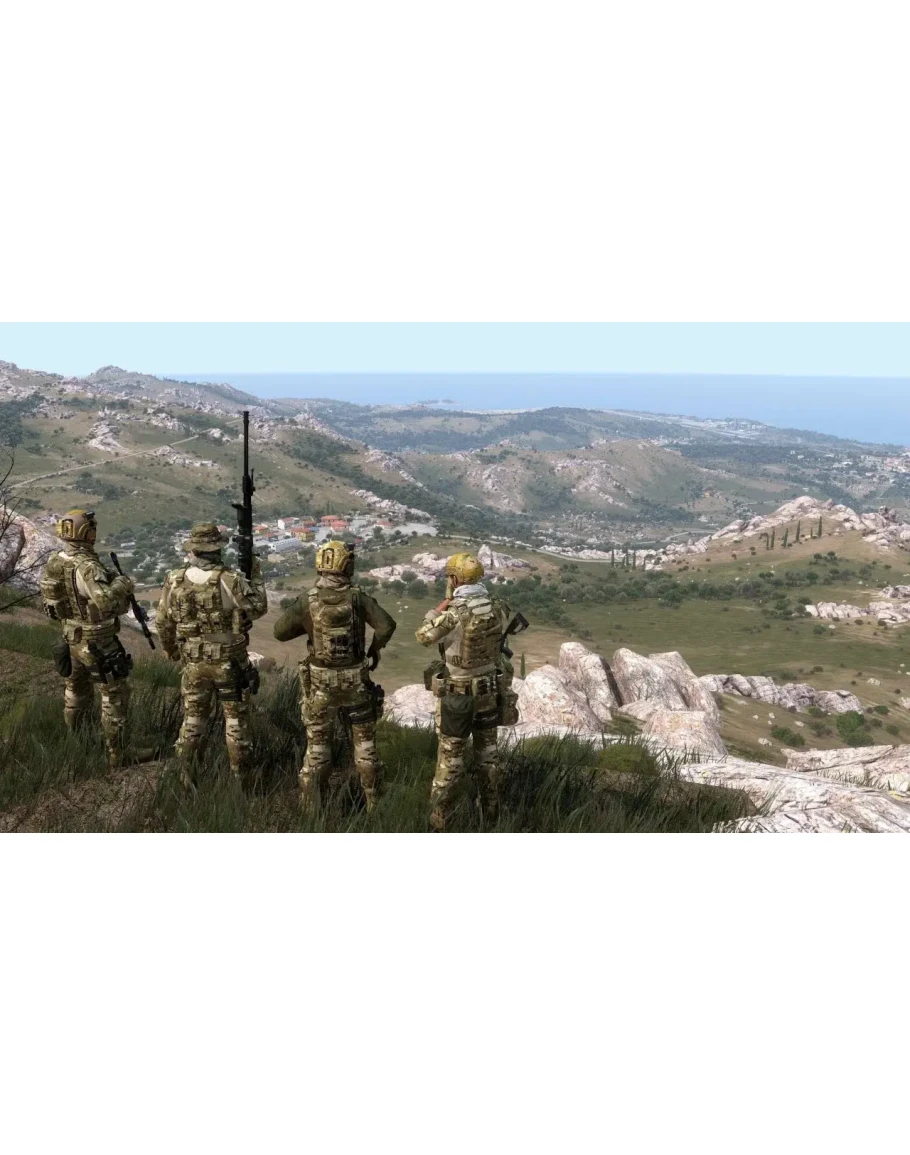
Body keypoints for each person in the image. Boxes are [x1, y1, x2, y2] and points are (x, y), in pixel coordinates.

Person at [273, 540, 396, 811]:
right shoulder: (358, 598)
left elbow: (280, 632)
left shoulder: (308, 600)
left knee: (317, 746)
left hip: (320, 685)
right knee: (365, 745)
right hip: (356, 683)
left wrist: (308, 625)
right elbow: (386, 625)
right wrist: (374, 649)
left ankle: (312, 809)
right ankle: (375, 805)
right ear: (346, 566)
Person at [156, 522, 267, 784]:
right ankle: (242, 779)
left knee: (193, 718)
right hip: (229, 663)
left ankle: (186, 775)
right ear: (218, 550)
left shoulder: (174, 579)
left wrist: (171, 650)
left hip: (193, 661)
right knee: (235, 721)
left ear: (194, 550)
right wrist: (255, 572)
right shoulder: (229, 580)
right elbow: (258, 608)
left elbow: (162, 622)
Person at [415, 552, 516, 831]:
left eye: (450, 577)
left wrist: (443, 603)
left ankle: (439, 823)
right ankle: (491, 817)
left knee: (450, 764)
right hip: (489, 695)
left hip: (458, 697)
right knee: (489, 759)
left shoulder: (454, 613)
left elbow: (423, 635)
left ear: (455, 579)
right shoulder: (497, 606)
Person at [40, 508, 137, 768]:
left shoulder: (56, 560)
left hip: (70, 637)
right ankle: (118, 754)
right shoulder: (87, 566)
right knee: (114, 694)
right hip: (97, 643)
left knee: (75, 692)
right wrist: (123, 584)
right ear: (87, 533)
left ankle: (79, 743)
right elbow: (104, 601)